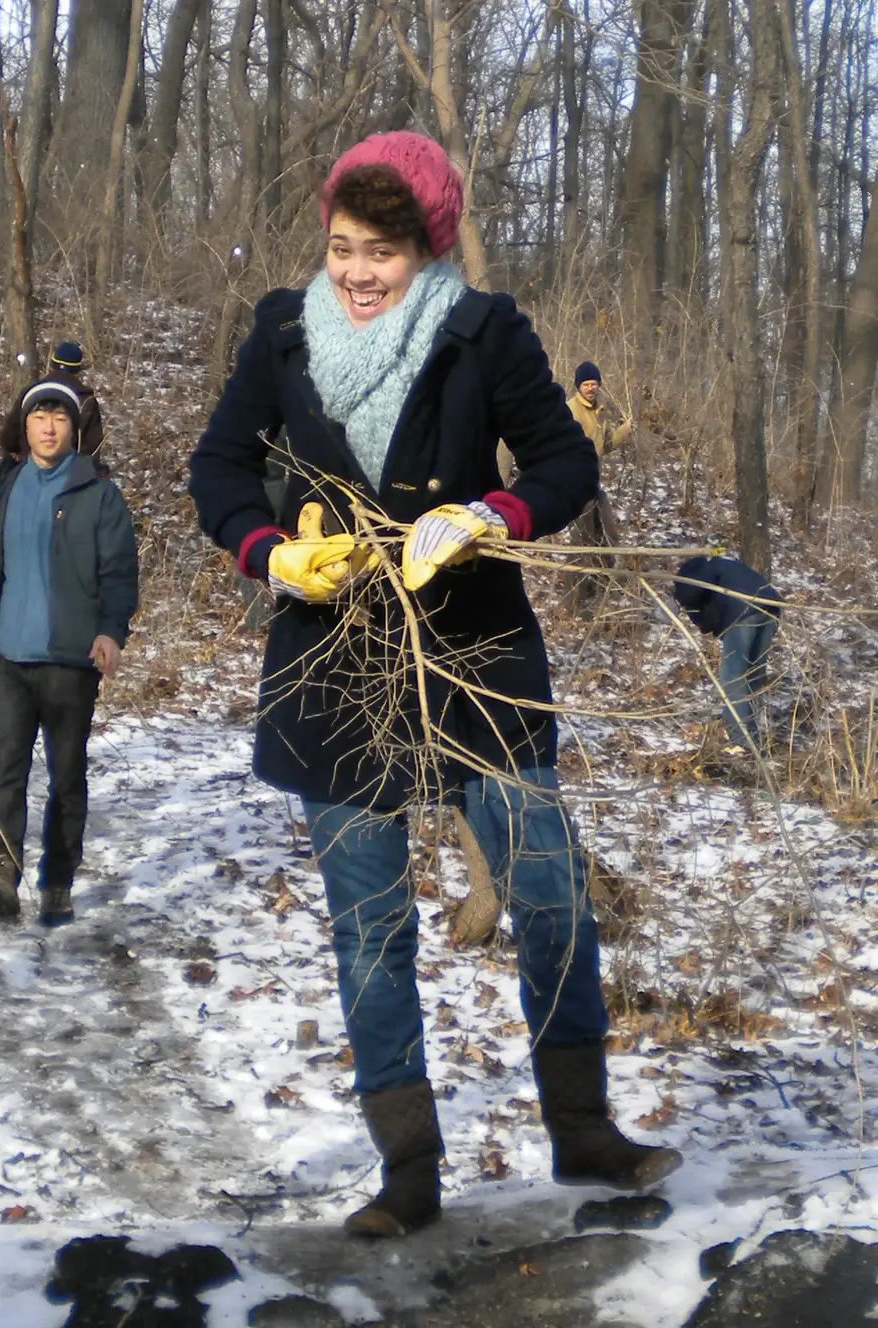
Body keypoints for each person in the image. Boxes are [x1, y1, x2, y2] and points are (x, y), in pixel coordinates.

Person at [189, 131, 681, 1238]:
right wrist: (270, 549)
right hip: (334, 665)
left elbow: (562, 463)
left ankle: (584, 1127)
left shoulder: (483, 332)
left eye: (385, 251)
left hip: (475, 655)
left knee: (548, 893)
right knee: (370, 927)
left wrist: (487, 517)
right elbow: (217, 466)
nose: (358, 271)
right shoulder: (279, 332)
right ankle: (408, 1167)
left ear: (432, 245)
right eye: (344, 246)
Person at [0, 376, 138, 926]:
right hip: (7, 658)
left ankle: (57, 880)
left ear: (74, 428)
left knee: (66, 773)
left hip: (69, 659)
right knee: (4, 771)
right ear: (25, 424)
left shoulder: (99, 495)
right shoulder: (5, 489)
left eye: (59, 417)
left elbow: (119, 574)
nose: (48, 426)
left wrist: (110, 632)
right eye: (39, 415)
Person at [674, 555, 782, 753]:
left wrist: (677, 596)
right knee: (753, 674)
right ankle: (754, 732)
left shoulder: (695, 572)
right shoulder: (725, 568)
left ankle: (741, 741)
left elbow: (689, 593)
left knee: (733, 678)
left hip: (742, 609)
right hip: (770, 606)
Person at [566, 361, 633, 610]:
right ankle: (574, 600)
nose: (591, 388)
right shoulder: (570, 410)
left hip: (593, 485)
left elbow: (603, 446)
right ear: (578, 386)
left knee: (607, 535)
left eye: (594, 384)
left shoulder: (599, 412)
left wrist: (624, 432)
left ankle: (602, 591)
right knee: (582, 541)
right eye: (586, 384)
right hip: (575, 485)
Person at [0, 341, 105, 463]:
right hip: (70, 474)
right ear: (77, 368)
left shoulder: (31, 393)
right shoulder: (87, 401)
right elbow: (91, 448)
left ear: (53, 363)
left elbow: (9, 437)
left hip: (27, 467)